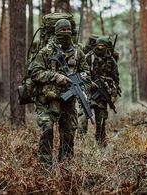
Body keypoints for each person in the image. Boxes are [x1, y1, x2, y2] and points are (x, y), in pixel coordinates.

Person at [28, 19, 90, 165]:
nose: (66, 33)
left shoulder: (77, 52)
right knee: (47, 130)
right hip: (47, 100)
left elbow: (87, 73)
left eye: (68, 31)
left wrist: (80, 81)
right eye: (63, 31)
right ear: (56, 32)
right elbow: (35, 73)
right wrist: (55, 76)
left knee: (68, 133)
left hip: (69, 101)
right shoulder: (45, 51)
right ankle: (45, 166)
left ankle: (65, 166)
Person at [78, 36, 121, 145]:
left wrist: (114, 93)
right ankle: (80, 143)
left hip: (102, 95)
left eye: (103, 46)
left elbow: (116, 78)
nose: (100, 48)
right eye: (99, 45)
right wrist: (88, 82)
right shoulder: (88, 57)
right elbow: (80, 74)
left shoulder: (111, 60)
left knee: (101, 121)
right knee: (83, 118)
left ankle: (100, 144)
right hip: (86, 92)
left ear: (106, 47)